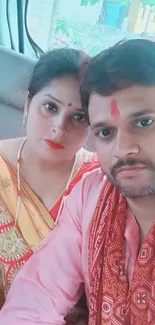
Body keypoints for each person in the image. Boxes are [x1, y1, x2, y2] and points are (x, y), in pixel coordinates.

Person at [1, 38, 155, 325]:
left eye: (144, 123)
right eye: (106, 132)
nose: (124, 149)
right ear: (27, 104)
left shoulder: (88, 178)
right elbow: (35, 298)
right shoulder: (92, 195)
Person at [0, 48, 99, 323]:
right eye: (50, 107)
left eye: (78, 117)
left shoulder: (101, 183)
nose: (59, 127)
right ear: (28, 102)